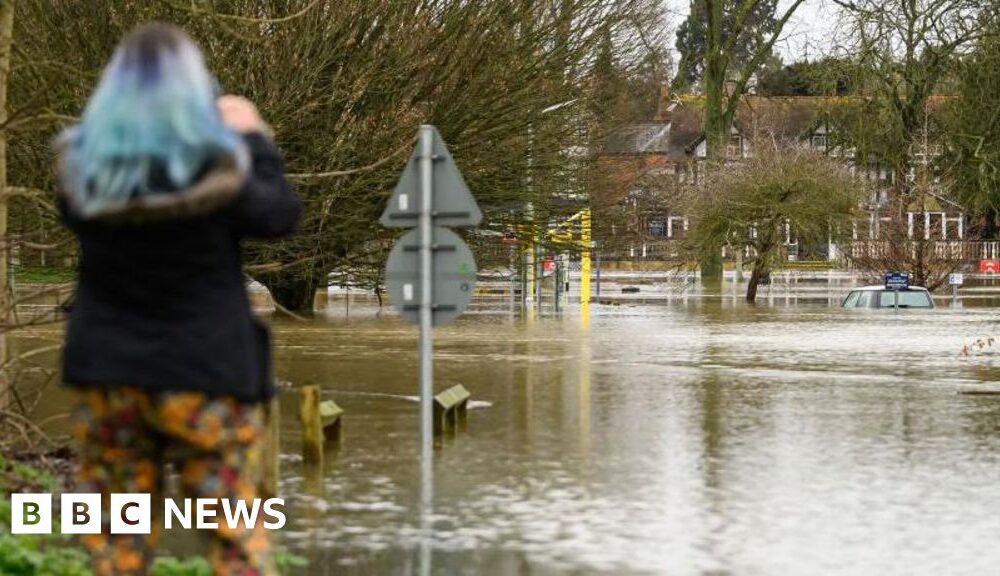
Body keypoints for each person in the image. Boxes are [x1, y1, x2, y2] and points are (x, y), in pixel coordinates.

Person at [55, 23, 300, 576]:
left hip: (109, 378)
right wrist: (254, 138)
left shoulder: (85, 176)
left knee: (116, 543)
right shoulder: (221, 172)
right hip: (206, 376)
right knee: (233, 538)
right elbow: (279, 216)